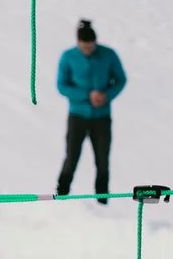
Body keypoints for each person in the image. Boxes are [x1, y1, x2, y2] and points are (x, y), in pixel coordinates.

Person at [53, 20, 127, 204]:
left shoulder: (108, 55)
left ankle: (102, 200)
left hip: (101, 117)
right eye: (84, 47)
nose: (87, 50)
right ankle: (62, 194)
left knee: (102, 160)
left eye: (90, 47)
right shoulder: (68, 57)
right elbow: (62, 85)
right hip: (77, 115)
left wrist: (106, 95)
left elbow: (121, 79)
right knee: (72, 157)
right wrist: (87, 95)